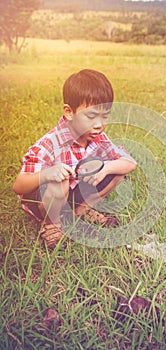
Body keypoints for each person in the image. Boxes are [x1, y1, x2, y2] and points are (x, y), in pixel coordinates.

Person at [13, 69, 137, 249]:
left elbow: (130, 163)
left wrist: (107, 168)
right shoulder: (49, 144)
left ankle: (80, 211)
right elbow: (18, 186)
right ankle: (52, 225)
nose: (99, 124)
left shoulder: (98, 137)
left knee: (117, 172)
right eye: (91, 116)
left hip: (69, 196)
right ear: (69, 112)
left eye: (105, 116)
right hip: (43, 201)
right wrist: (47, 174)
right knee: (60, 180)